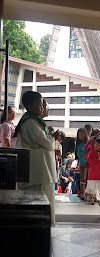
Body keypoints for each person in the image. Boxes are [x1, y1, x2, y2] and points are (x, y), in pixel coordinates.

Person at [15, 91, 60, 224]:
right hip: (37, 169)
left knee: (43, 197)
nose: (41, 108)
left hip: (42, 167)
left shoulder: (35, 121)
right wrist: (53, 138)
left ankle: (41, 226)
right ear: (29, 105)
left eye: (42, 105)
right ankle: (36, 227)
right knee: (37, 198)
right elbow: (42, 141)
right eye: (39, 105)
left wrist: (51, 137)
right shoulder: (29, 122)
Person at [85, 138, 100, 205]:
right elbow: (89, 160)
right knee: (91, 186)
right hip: (93, 173)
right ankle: (91, 199)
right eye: (95, 144)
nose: (96, 145)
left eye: (98, 144)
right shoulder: (91, 152)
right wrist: (97, 159)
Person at [76, 127, 88, 199]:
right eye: (79, 135)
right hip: (82, 163)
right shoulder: (79, 144)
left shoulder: (89, 143)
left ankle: (87, 193)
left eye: (83, 134)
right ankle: (82, 193)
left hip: (89, 163)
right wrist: (84, 155)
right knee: (82, 178)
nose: (81, 136)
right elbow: (78, 154)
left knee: (88, 178)